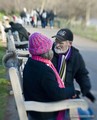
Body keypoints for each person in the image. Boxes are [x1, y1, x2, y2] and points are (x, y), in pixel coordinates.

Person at [23, 32, 76, 120]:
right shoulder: (44, 70)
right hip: (45, 113)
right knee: (84, 112)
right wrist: (72, 91)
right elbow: (57, 94)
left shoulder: (32, 62)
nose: (52, 50)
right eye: (50, 48)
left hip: (35, 109)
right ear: (46, 51)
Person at [51, 28, 96, 119]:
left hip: (68, 94)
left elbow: (82, 75)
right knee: (85, 116)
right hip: (53, 94)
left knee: (89, 113)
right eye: (56, 41)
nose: (57, 45)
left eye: (61, 42)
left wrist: (86, 90)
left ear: (69, 43)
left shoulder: (75, 56)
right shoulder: (49, 52)